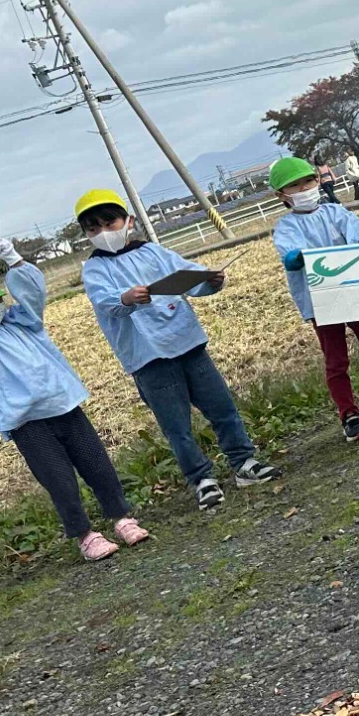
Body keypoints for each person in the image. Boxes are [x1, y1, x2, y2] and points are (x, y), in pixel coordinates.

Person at [0, 245, 147, 562]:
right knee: (59, 481)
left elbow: (33, 292)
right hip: (27, 423)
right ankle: (86, 536)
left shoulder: (23, 321)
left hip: (64, 405)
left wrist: (15, 260)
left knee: (98, 465)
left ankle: (122, 518)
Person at [75, 188, 281, 510]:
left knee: (221, 408)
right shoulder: (95, 269)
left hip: (187, 343)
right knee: (177, 426)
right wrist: (126, 298)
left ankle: (244, 463)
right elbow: (106, 302)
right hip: (149, 357)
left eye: (109, 222)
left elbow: (190, 276)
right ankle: (201, 479)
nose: (104, 232)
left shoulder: (153, 252)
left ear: (128, 221)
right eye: (93, 228)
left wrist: (211, 281)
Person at [268, 157, 359, 442]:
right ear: (281, 195)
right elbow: (289, 256)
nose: (304, 188)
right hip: (321, 300)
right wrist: (296, 258)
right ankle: (348, 415)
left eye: (308, 181)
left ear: (318, 180)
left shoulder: (336, 212)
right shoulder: (286, 227)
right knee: (336, 361)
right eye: (295, 185)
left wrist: (353, 253)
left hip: (354, 290)